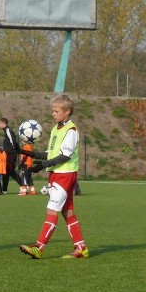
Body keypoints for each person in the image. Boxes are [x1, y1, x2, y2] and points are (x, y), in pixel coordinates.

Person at [19, 94, 89, 260]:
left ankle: (38, 247)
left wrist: (44, 165)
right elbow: (51, 153)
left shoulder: (71, 130)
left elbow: (65, 156)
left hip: (65, 174)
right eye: (52, 111)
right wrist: (27, 153)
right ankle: (81, 248)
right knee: (68, 212)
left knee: (52, 210)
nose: (53, 114)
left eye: (56, 111)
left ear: (67, 111)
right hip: (57, 174)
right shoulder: (56, 129)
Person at [0, 118, 25, 194]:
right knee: (6, 172)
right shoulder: (5, 131)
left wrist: (18, 150)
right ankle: (4, 190)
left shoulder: (8, 130)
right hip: (8, 155)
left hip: (11, 155)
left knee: (11, 171)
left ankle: (23, 186)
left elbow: (14, 142)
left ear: (4, 123)